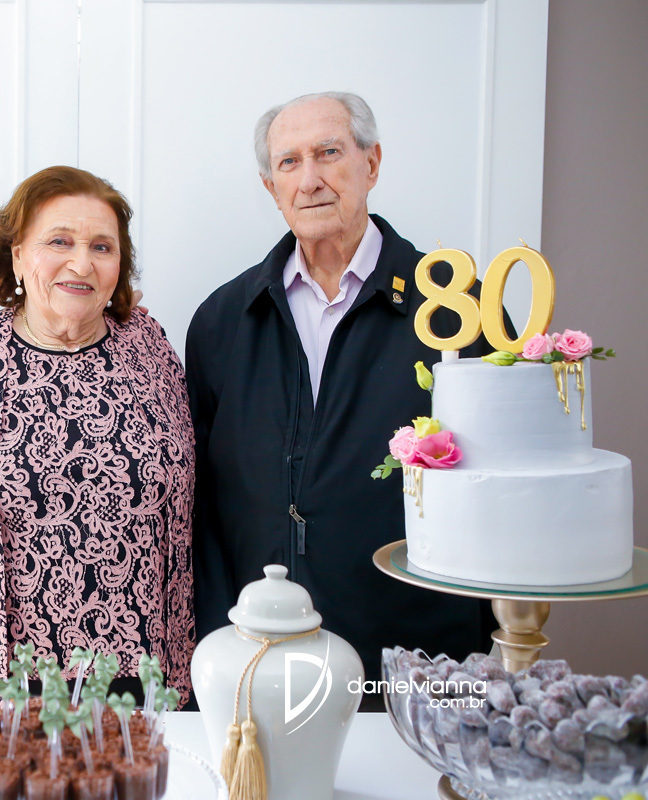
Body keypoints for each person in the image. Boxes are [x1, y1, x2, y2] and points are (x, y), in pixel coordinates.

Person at [186, 92, 494, 709]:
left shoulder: (458, 311)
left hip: (417, 662)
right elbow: (205, 503)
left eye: (328, 153)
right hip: (260, 658)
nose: (310, 179)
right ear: (271, 187)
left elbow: (497, 489)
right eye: (289, 162)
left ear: (371, 163)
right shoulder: (222, 320)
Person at [0, 166, 196, 700]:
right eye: (60, 241)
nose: (82, 263)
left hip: (139, 666)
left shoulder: (148, 345)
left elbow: (183, 501)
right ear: (18, 254)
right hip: (4, 671)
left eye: (101, 247)